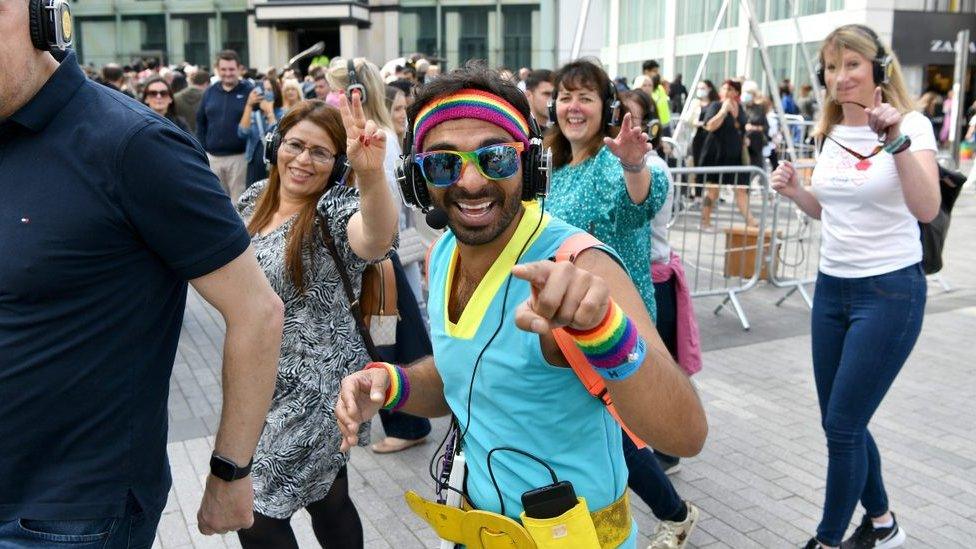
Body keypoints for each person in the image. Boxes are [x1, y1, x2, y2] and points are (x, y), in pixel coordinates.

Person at [335, 63, 707, 549]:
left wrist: (604, 332)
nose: (469, 183)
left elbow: (687, 434)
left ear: (530, 166)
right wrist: (394, 382)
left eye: (495, 158)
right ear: (417, 179)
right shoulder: (443, 253)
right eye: (444, 163)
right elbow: (460, 380)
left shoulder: (580, 262)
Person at [0, 5, 284, 545]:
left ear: (42, 17)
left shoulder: (134, 145)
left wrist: (230, 473)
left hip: (69, 516)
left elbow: (258, 312)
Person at [770, 24, 939, 549]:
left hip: (889, 292)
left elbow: (926, 208)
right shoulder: (829, 132)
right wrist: (799, 191)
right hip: (831, 290)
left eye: (852, 65)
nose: (839, 77)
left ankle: (825, 541)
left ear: (878, 69)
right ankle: (884, 523)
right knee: (843, 420)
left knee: (843, 426)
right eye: (831, 66)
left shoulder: (912, 125)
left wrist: (896, 142)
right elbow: (832, 211)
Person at [545, 60, 701, 549]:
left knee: (614, 424)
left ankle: (673, 514)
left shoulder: (614, 162)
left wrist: (635, 165)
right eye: (566, 96)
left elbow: (645, 199)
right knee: (601, 424)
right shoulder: (555, 167)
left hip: (613, 320)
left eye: (586, 97)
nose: (574, 106)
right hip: (567, 319)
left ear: (605, 108)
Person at [234, 97, 398, 548]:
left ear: (335, 163)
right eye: (295, 145)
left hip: (319, 385)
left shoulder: (335, 209)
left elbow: (375, 237)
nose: (303, 160)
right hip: (262, 382)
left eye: (320, 152)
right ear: (275, 146)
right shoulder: (251, 202)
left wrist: (369, 174)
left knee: (256, 511)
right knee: (327, 494)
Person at [328, 57, 434, 454]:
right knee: (389, 338)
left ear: (355, 92)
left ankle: (406, 424)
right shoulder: (381, 134)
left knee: (387, 342)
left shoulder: (377, 140)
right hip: (378, 259)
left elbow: (381, 204)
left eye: (337, 90)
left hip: (378, 264)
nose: (332, 98)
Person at [699, 79, 757, 229]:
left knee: (741, 190)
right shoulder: (716, 105)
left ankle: (751, 222)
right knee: (713, 191)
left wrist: (745, 139)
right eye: (724, 88)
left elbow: (742, 127)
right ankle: (705, 221)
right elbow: (710, 126)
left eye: (730, 89)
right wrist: (723, 111)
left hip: (736, 156)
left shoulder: (741, 108)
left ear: (736, 92)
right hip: (717, 154)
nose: (727, 92)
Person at [197, 50, 254, 203]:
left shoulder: (249, 91)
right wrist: (203, 149)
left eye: (231, 69)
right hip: (213, 158)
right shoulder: (209, 92)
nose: (227, 73)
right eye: (223, 69)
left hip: (239, 159)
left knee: (239, 203)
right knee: (215, 202)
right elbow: (201, 122)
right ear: (217, 69)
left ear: (239, 69)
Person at [239, 76, 284, 186]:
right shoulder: (254, 115)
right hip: (254, 165)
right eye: (263, 90)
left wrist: (269, 112)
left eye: (269, 90)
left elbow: (277, 138)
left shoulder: (282, 114)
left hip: (275, 166)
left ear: (276, 92)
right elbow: (242, 133)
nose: (265, 93)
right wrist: (249, 105)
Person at [176, 69, 210, 133]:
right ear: (206, 83)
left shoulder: (176, 98)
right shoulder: (210, 99)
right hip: (201, 139)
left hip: (181, 138)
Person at [642, 60, 672, 127]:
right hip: (653, 127)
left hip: (665, 125)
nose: (657, 74)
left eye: (658, 71)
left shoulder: (659, 87)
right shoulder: (641, 88)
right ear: (646, 72)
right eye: (655, 71)